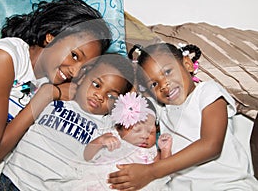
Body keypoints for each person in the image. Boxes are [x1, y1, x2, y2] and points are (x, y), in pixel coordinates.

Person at [0, 0, 112, 191]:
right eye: (74, 55)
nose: (74, 71)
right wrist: (45, 96)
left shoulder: (54, 81)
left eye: (84, 69)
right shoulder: (5, 58)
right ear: (51, 36)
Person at [108, 43, 258, 190]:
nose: (164, 85)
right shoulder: (162, 109)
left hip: (227, 184)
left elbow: (211, 145)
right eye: (154, 84)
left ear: (187, 64)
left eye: (167, 72)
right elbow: (129, 99)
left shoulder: (207, 92)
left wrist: (151, 171)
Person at [0, 54, 134, 190]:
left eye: (111, 96)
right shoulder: (56, 95)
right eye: (96, 85)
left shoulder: (105, 124)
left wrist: (100, 142)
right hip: (11, 176)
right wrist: (57, 90)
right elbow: (21, 88)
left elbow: (89, 155)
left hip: (47, 187)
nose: (100, 95)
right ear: (82, 78)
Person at [79, 92, 172, 191]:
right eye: (137, 130)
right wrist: (100, 141)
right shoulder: (112, 137)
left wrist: (165, 150)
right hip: (100, 183)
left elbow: (163, 170)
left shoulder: (152, 151)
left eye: (151, 132)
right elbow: (87, 156)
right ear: (120, 128)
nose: (145, 136)